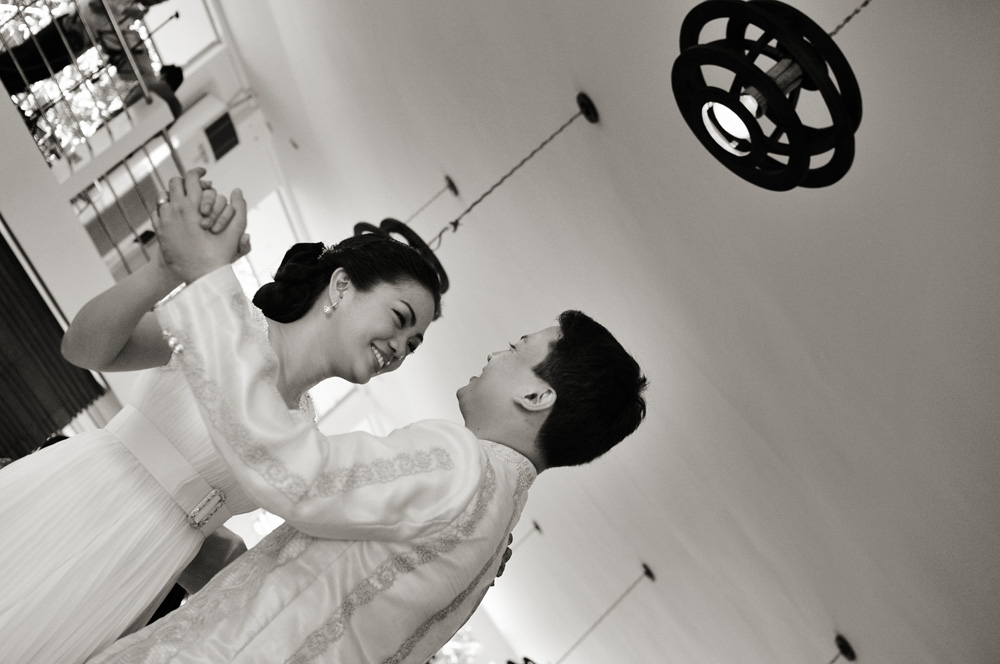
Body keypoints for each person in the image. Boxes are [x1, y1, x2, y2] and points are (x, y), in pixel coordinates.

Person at [88, 190, 648, 663]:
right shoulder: (492, 544)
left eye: (515, 348)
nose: (494, 355)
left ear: (536, 395)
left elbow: (295, 473)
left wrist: (211, 280)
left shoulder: (462, 465)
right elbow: (323, 591)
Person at [0, 170, 442, 664]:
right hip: (83, 500)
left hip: (147, 568)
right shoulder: (228, 326)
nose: (399, 349)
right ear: (342, 286)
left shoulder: (305, 432)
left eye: (412, 345)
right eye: (399, 320)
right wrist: (166, 269)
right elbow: (83, 348)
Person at [0, 0, 184, 118]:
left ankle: (8, 87)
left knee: (36, 72)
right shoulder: (127, 8)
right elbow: (95, 5)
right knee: (23, 57)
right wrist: (126, 10)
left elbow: (111, 38)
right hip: (67, 29)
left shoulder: (132, 13)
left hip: (76, 46)